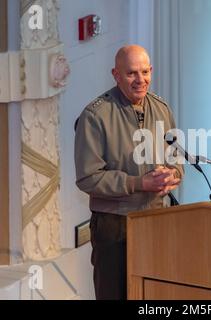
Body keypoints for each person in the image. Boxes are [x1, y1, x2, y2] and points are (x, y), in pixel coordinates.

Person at [74, 45, 184, 300]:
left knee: (157, 294)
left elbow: (176, 158)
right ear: (116, 74)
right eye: (131, 73)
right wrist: (138, 183)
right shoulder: (95, 115)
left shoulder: (162, 109)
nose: (140, 80)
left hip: (157, 220)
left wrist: (172, 175)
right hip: (114, 225)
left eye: (145, 72)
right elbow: (87, 177)